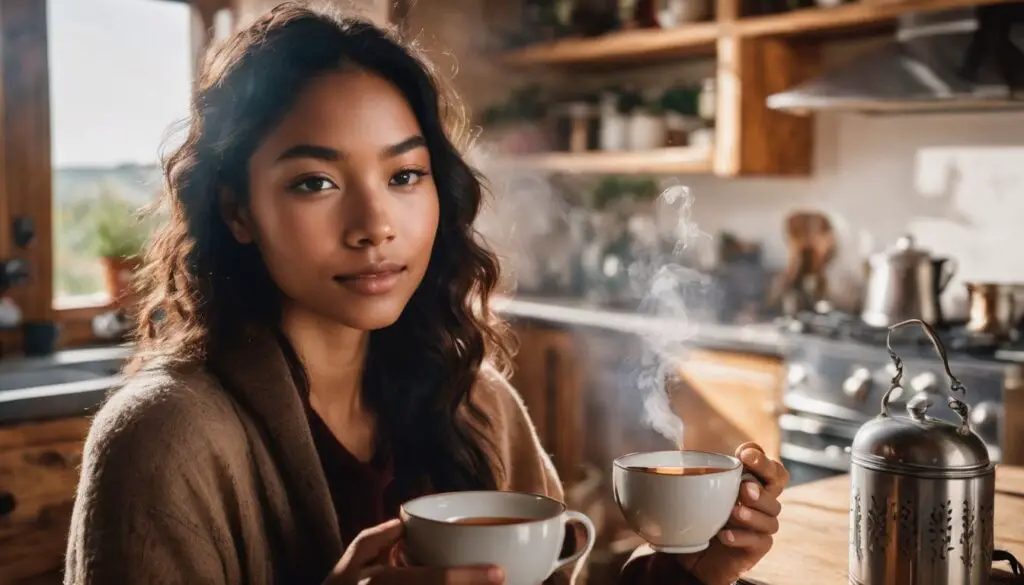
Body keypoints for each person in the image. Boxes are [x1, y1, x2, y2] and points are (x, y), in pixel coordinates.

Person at [64, 3, 789, 585]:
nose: (375, 226)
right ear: (237, 210)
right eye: (315, 182)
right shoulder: (163, 438)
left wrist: (686, 573)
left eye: (404, 176)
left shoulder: (477, 402)